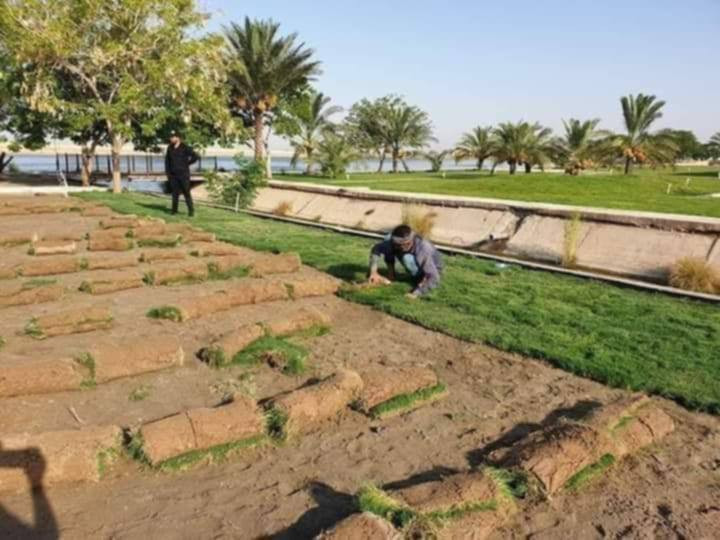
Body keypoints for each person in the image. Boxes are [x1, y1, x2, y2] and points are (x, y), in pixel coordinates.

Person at [368, 224, 443, 298]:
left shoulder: (423, 248)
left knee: (407, 258)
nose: (402, 247)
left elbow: (434, 277)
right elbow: (376, 249)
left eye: (406, 244)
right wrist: (373, 272)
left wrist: (417, 292)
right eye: (398, 244)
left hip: (432, 270)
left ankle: (419, 278)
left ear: (411, 240)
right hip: (415, 260)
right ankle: (391, 275)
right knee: (387, 239)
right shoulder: (394, 242)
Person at [165, 130, 199, 217]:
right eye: (171, 137)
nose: (171, 139)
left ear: (178, 138)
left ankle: (191, 211)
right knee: (175, 193)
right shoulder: (170, 148)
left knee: (186, 192)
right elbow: (167, 162)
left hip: (183, 175)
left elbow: (196, 156)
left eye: (173, 137)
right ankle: (174, 211)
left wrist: (187, 163)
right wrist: (168, 174)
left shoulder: (185, 147)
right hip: (173, 175)